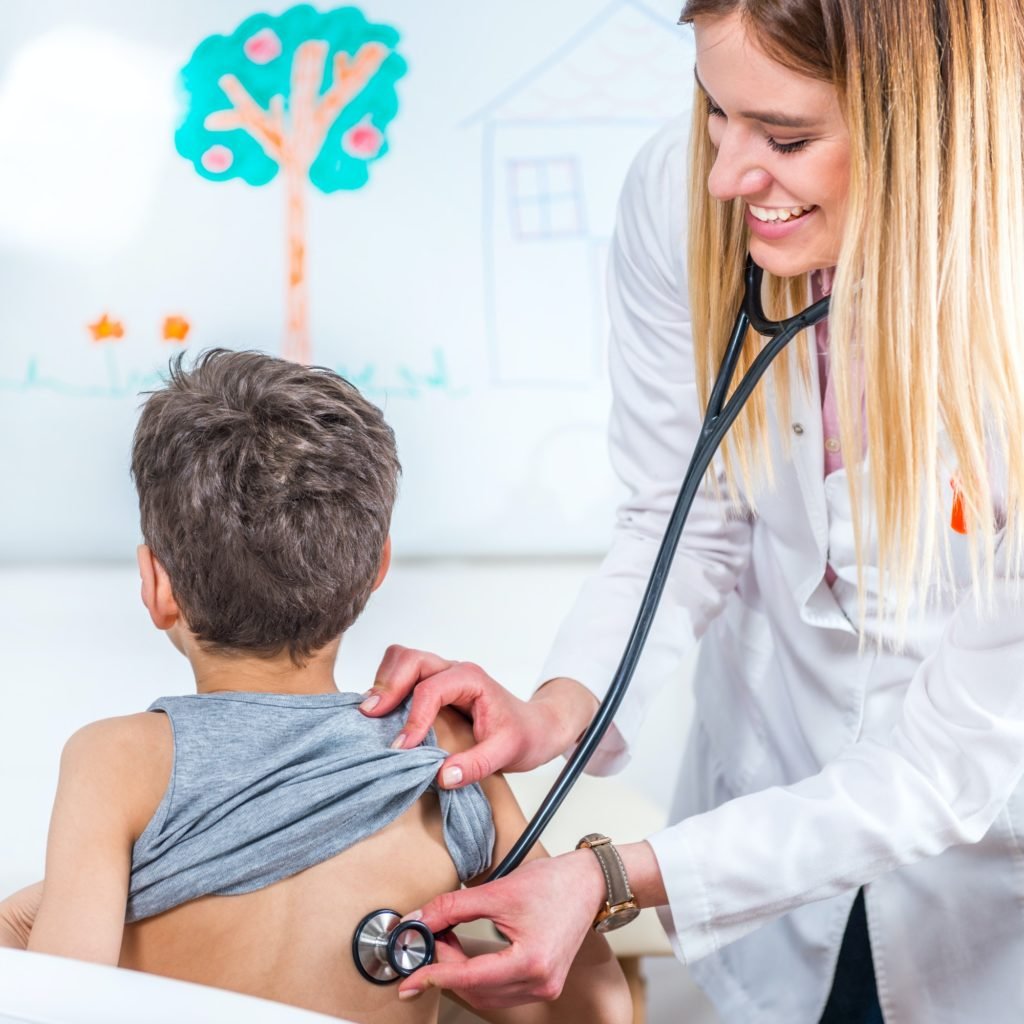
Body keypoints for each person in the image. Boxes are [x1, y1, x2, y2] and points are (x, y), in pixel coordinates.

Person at [360, 2, 1024, 1022]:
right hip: (771, 785)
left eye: (785, 137)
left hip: (983, 882)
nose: (725, 174)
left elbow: (944, 768)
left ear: (926, 123)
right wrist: (558, 709)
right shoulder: (681, 200)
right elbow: (686, 519)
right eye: (717, 113)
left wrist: (611, 874)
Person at [20, 349, 631, 1024]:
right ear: (377, 568)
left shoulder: (117, 762)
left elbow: (54, 1006)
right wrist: (454, 968)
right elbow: (599, 1008)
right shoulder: (444, 750)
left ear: (157, 587)